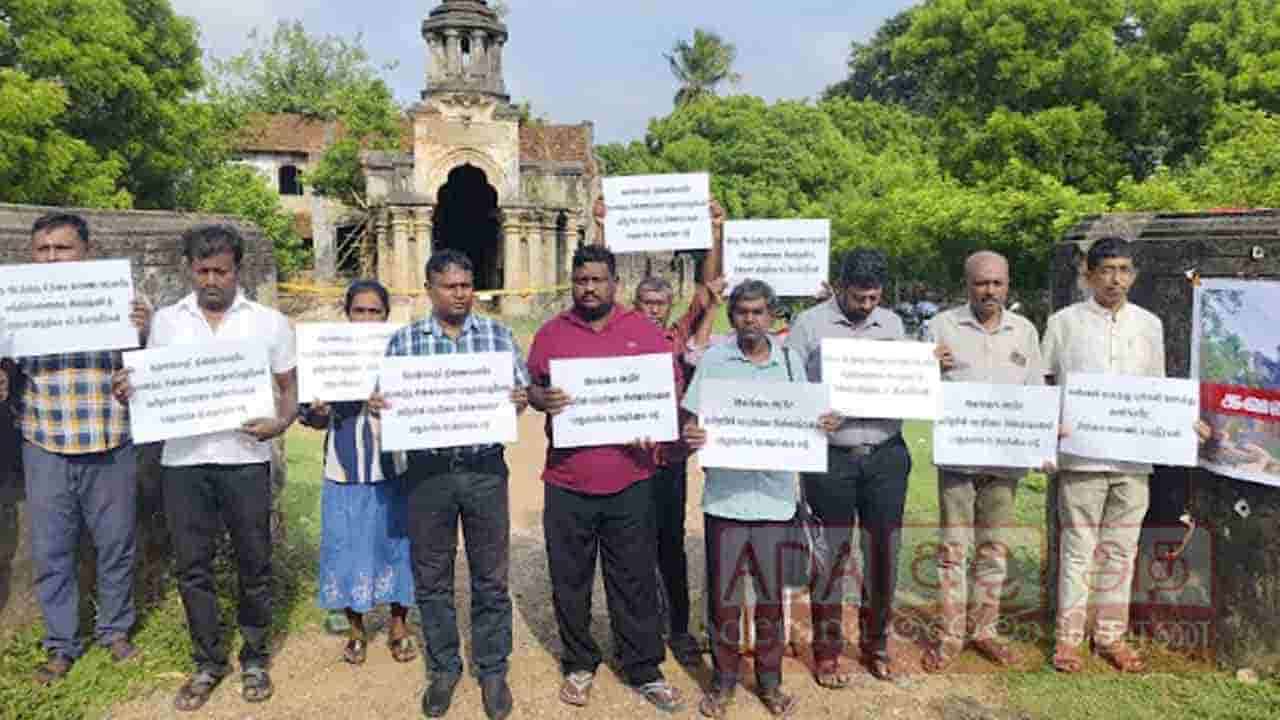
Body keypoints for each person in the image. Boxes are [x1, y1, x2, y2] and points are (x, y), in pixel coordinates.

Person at [114, 224, 297, 710]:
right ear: (189, 270)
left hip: (245, 461)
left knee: (254, 563)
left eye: (222, 270)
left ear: (238, 270)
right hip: (184, 463)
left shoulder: (270, 323)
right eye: (203, 270)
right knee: (192, 567)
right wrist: (130, 390)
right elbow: (149, 384)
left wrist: (279, 424)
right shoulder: (167, 323)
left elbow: (288, 388)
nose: (212, 279)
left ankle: (255, 656)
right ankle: (208, 661)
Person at [371, 250, 529, 720]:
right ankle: (443, 667)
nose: (460, 293)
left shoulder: (499, 336)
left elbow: (518, 397)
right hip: (429, 474)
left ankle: (493, 668)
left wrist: (516, 401)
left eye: (466, 285)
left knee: (491, 575)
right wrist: (380, 405)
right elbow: (385, 399)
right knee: (433, 576)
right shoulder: (404, 343)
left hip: (483, 469)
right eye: (450, 286)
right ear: (429, 290)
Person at [526, 244, 684, 712]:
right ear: (572, 283)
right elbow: (532, 388)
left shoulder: (643, 331)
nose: (588, 288)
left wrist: (651, 426)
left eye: (597, 279)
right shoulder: (552, 333)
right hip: (567, 478)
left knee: (633, 577)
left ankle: (642, 665)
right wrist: (542, 399)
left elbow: (666, 397)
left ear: (615, 283)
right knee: (570, 578)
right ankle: (578, 661)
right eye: (581, 280)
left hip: (630, 479)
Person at [681, 279, 839, 718]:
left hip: (774, 500)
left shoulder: (789, 361)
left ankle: (769, 681)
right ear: (733, 317)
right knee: (725, 596)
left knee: (771, 595)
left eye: (758, 312)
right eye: (742, 313)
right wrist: (694, 434)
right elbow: (694, 419)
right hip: (725, 499)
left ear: (772, 316)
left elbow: (806, 416)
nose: (750, 320)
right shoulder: (715, 359)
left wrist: (821, 424)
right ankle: (724, 680)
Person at [16, 213, 151, 684]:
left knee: (116, 546)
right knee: (52, 552)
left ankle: (115, 631)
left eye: (63, 248)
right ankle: (61, 645)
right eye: (43, 250)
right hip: (44, 441)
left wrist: (142, 341)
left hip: (110, 440)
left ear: (86, 252)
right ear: (31, 256)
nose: (52, 258)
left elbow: (154, 369)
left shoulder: (126, 304)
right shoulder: (14, 306)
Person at [593, 196, 726, 664]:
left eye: (661, 302)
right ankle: (638, 631)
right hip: (625, 458)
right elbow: (594, 281)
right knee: (631, 547)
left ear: (670, 306)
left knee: (670, 544)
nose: (653, 308)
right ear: (635, 302)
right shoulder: (617, 331)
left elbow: (711, 290)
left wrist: (714, 233)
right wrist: (600, 228)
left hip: (667, 458)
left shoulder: (676, 337)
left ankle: (678, 629)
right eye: (646, 302)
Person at [785, 248, 912, 685]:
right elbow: (790, 384)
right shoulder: (809, 324)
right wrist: (812, 412)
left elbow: (908, 381)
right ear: (839, 287)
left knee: (883, 555)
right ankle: (827, 650)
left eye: (873, 297)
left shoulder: (894, 325)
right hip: (830, 457)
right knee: (831, 558)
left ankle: (876, 645)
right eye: (859, 297)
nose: (866, 305)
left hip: (885, 455)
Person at [1041, 237, 1164, 674]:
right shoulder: (1063, 324)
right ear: (1088, 275)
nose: (1116, 279)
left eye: (1124, 270)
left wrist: (1176, 426)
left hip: (1132, 461)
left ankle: (1110, 636)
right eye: (1107, 270)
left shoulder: (1150, 326)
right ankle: (1069, 640)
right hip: (1082, 459)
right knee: (1077, 548)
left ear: (1133, 275)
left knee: (1122, 550)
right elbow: (1044, 384)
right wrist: (1046, 430)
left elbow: (1158, 393)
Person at [921, 251, 1045, 673]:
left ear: (1008, 285)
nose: (989, 291)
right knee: (953, 551)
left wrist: (1040, 442)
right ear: (967, 284)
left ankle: (985, 630)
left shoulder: (1025, 332)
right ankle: (950, 634)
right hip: (958, 460)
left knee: (994, 548)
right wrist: (924, 365)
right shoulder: (940, 327)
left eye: (997, 283)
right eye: (981, 283)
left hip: (1005, 461)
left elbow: (1035, 396)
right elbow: (911, 388)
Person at [298, 280, 416, 667]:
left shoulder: (403, 351)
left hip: (393, 466)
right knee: (347, 547)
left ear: (386, 315)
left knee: (396, 544)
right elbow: (311, 419)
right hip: (344, 466)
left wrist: (394, 403)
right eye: (358, 311)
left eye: (374, 312)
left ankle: (399, 626)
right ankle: (356, 630)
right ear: (346, 313)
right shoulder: (326, 354)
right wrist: (317, 410)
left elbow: (422, 405)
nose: (366, 319)